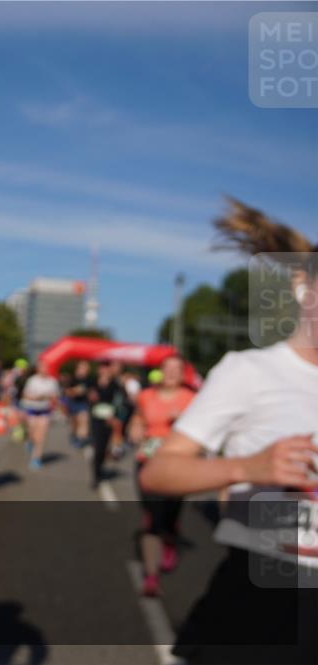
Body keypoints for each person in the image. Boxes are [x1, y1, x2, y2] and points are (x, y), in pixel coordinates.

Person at [140, 201, 318, 664]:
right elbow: (158, 473)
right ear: (303, 287)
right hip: (265, 596)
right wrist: (249, 467)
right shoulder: (251, 371)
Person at [127, 356, 196, 596]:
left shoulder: (192, 399)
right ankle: (151, 577)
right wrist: (135, 430)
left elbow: (203, 432)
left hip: (178, 464)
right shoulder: (146, 395)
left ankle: (170, 536)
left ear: (183, 373)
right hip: (148, 460)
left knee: (169, 516)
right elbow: (137, 418)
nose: (171, 373)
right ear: (160, 372)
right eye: (167, 368)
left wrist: (184, 422)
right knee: (151, 518)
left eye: (177, 369)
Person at [87, 359, 126, 489]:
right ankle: (96, 476)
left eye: (107, 368)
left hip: (110, 420)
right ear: (99, 370)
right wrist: (90, 396)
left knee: (104, 448)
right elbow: (84, 394)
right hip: (96, 419)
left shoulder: (116, 385)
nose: (104, 371)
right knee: (98, 447)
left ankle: (100, 467)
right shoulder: (92, 382)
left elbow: (121, 403)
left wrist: (115, 416)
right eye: (102, 368)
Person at [18, 361, 60, 470]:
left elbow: (56, 397)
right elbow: (25, 394)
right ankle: (30, 441)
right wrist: (35, 397)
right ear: (38, 369)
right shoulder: (32, 380)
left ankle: (36, 458)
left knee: (41, 436)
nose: (44, 370)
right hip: (32, 409)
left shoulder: (52, 382)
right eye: (42, 367)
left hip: (45, 410)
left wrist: (52, 399)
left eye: (46, 367)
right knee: (32, 433)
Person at [64, 360, 92, 448]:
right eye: (82, 368)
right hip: (73, 403)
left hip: (83, 403)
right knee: (74, 423)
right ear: (78, 368)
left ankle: (80, 439)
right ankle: (74, 435)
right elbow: (67, 392)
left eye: (85, 368)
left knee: (83, 420)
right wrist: (75, 391)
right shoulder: (72, 379)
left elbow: (92, 392)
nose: (84, 370)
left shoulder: (90, 380)